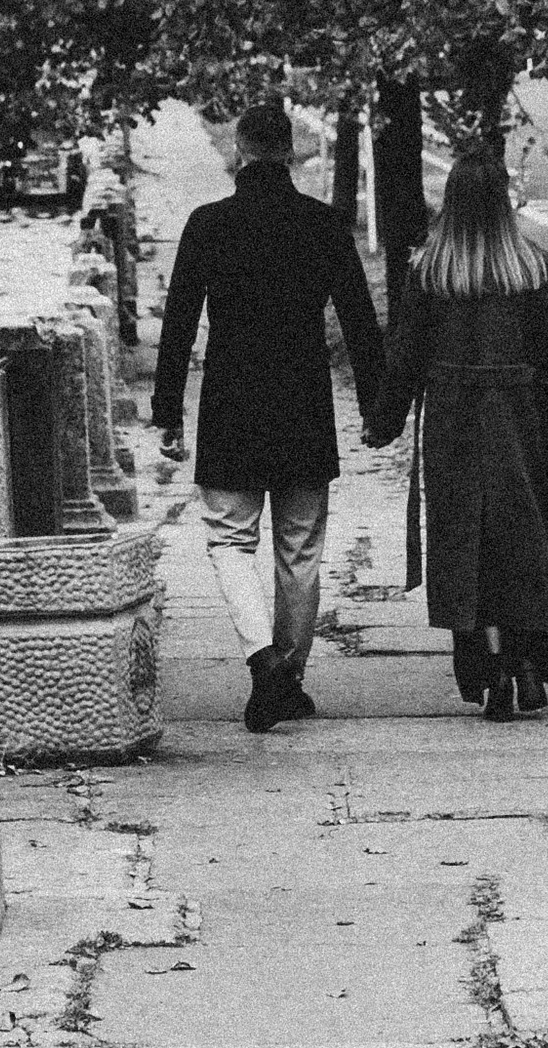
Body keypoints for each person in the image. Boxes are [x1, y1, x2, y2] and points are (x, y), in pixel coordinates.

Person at [151, 94, 387, 732]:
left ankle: (262, 659)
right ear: (290, 152)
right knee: (300, 546)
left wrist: (167, 410)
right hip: (303, 401)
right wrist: (377, 406)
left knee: (229, 538)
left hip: (231, 400)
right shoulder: (324, 224)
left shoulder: (207, 224)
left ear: (239, 153)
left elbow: (178, 323)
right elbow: (360, 321)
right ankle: (290, 671)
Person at [364, 146, 548, 721]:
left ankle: (486, 670)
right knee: (524, 539)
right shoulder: (531, 267)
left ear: (452, 203)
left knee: (466, 543)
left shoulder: (430, 271)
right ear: (502, 204)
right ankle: (527, 660)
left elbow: (405, 358)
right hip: (524, 418)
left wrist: (385, 421)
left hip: (454, 422)